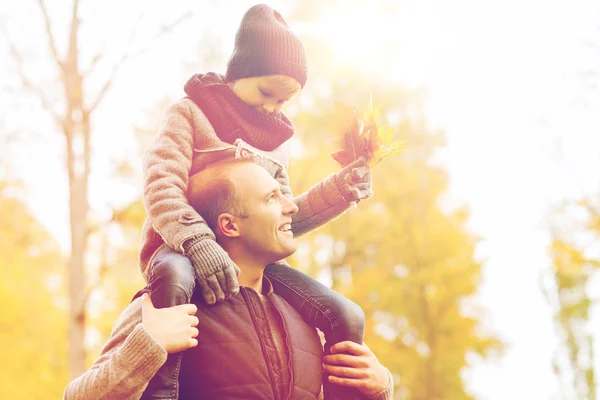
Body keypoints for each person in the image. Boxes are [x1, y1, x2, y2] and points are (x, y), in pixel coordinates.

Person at [140, 4, 373, 399]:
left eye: (284, 102)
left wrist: (339, 191)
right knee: (175, 281)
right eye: (266, 92)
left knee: (345, 315)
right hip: (180, 246)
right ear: (240, 74)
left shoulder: (276, 147)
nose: (271, 107)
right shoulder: (190, 114)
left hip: (250, 256)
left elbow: (281, 216)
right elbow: (161, 184)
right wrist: (198, 241)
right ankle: (162, 391)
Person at [63, 158, 394, 400]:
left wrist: (381, 389)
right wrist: (147, 346)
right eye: (271, 198)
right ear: (230, 226)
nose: (291, 206)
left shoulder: (304, 317)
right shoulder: (168, 308)